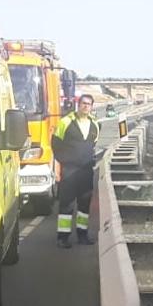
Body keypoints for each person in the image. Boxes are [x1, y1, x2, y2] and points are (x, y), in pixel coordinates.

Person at [53, 94, 100, 248]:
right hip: (70, 171)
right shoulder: (66, 122)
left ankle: (82, 235)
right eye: (83, 103)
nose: (86, 106)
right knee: (66, 204)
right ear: (78, 104)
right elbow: (55, 143)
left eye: (89, 104)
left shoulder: (95, 124)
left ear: (92, 107)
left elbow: (93, 144)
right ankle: (63, 238)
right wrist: (64, 161)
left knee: (84, 205)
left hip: (86, 171)